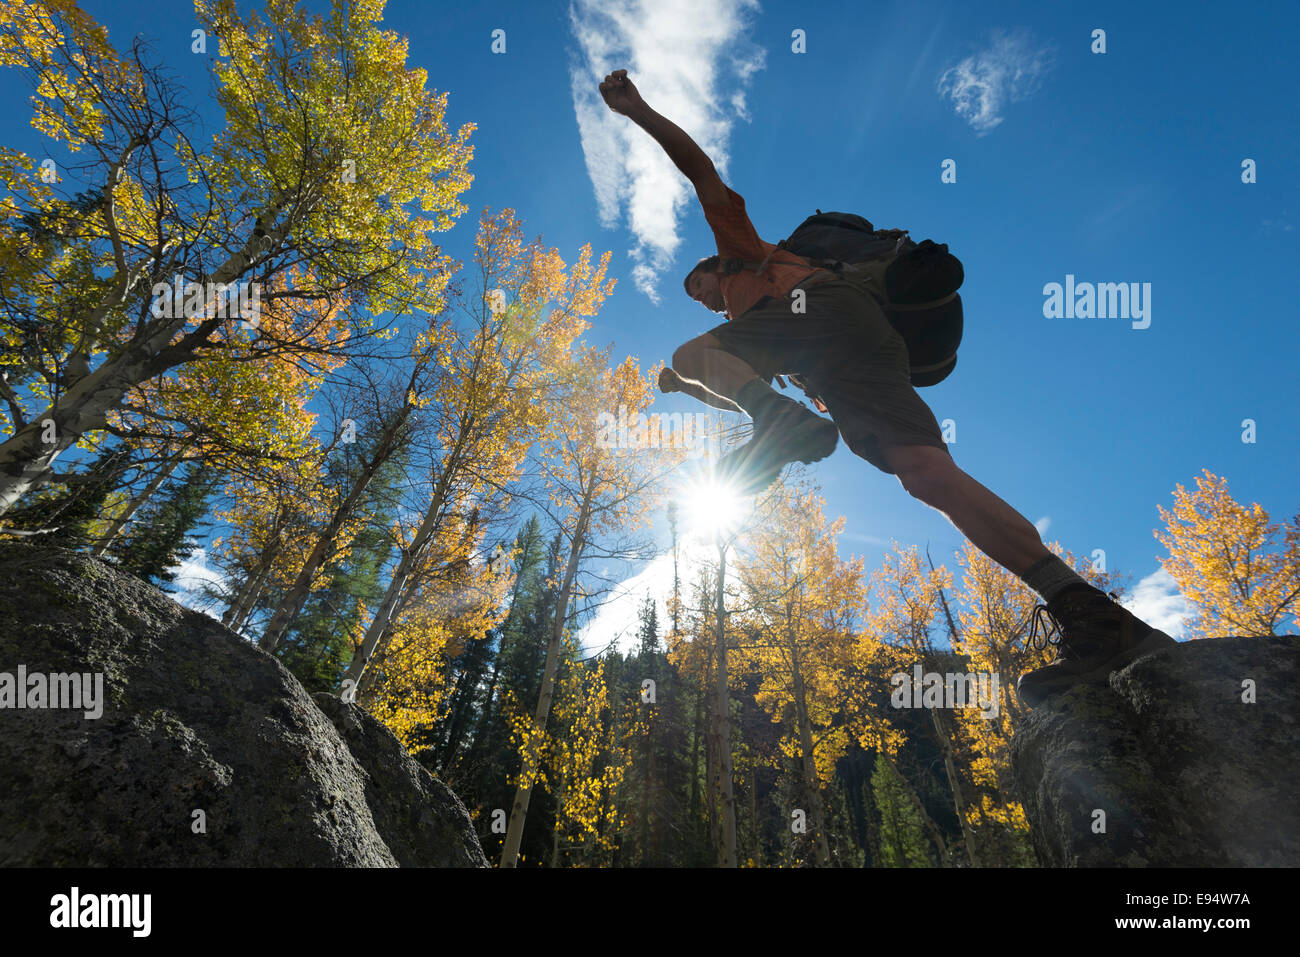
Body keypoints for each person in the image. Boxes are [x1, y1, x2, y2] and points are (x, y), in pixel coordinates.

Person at [598, 69, 1175, 708]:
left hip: (821, 311)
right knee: (929, 476)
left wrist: (638, 110)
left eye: (698, 287)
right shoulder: (742, 328)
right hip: (858, 357)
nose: (705, 299)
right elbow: (735, 380)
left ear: (713, 267)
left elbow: (702, 174)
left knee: (693, 354)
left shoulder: (742, 255)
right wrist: (689, 388)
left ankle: (779, 424)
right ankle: (1092, 612)